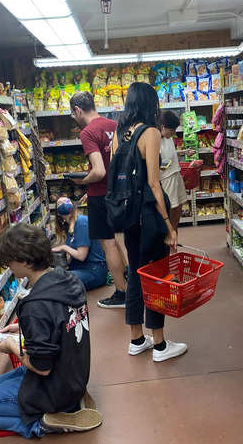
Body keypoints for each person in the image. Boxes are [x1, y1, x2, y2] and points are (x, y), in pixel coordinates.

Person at [0, 224, 99, 437]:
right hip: (73, 375)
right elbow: (62, 320)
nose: (9, 267)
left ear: (25, 261)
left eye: (9, 261)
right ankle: (73, 401)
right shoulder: (69, 280)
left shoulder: (35, 306)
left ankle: (44, 423)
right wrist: (24, 327)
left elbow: (42, 367)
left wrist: (11, 344)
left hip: (53, 385)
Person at [112, 82, 187, 362]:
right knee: (157, 276)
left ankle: (136, 339)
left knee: (136, 275)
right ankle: (159, 345)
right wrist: (169, 225)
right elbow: (155, 184)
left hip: (128, 216)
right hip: (149, 215)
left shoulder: (119, 135)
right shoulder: (151, 132)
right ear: (150, 104)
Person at [70, 91, 128, 309]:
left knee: (108, 243)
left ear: (77, 110)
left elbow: (99, 170)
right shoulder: (113, 125)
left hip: (100, 194)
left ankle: (122, 293)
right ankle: (127, 280)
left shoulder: (88, 132)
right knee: (115, 240)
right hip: (117, 193)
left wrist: (83, 181)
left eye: (72, 114)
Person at [51, 198, 108, 291]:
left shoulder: (81, 222)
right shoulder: (71, 226)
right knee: (52, 277)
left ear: (73, 206)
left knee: (56, 282)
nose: (63, 203)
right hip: (82, 267)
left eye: (66, 201)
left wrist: (64, 247)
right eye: (59, 203)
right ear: (58, 213)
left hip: (94, 270)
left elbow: (81, 256)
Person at [158, 110, 188, 231]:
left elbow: (168, 154)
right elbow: (157, 164)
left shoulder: (167, 136)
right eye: (172, 130)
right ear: (162, 127)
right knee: (170, 209)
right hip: (166, 179)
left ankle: (174, 235)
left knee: (178, 208)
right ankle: (169, 236)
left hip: (175, 174)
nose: (174, 133)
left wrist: (182, 152)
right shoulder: (155, 139)